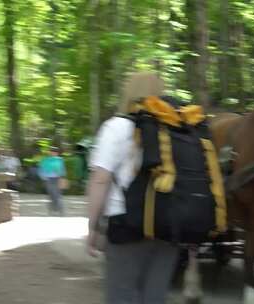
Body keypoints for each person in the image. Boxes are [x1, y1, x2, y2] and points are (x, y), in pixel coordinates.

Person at [86, 72, 179, 304]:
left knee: (122, 295)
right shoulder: (177, 130)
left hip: (126, 224)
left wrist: (93, 227)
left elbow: (100, 179)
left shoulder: (116, 127)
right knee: (155, 297)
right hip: (169, 226)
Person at [38, 146, 66, 216]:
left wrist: (62, 176)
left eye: (55, 152)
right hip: (48, 179)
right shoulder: (45, 160)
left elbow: (62, 169)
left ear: (57, 153)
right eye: (52, 151)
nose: (53, 153)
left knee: (57, 194)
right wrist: (43, 177)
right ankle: (53, 209)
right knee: (51, 194)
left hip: (57, 178)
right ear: (49, 152)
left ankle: (60, 209)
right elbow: (41, 169)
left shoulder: (60, 160)